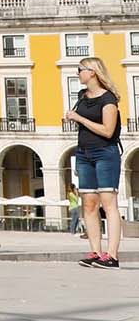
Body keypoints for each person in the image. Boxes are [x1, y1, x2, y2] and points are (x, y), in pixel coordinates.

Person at [66, 56, 123, 269]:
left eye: (80, 69)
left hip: (105, 153)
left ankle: (112, 255)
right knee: (88, 204)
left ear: (92, 72)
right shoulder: (82, 96)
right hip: (83, 153)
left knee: (109, 203)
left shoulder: (108, 100)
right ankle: (95, 252)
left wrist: (79, 119)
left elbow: (108, 131)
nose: (77, 72)